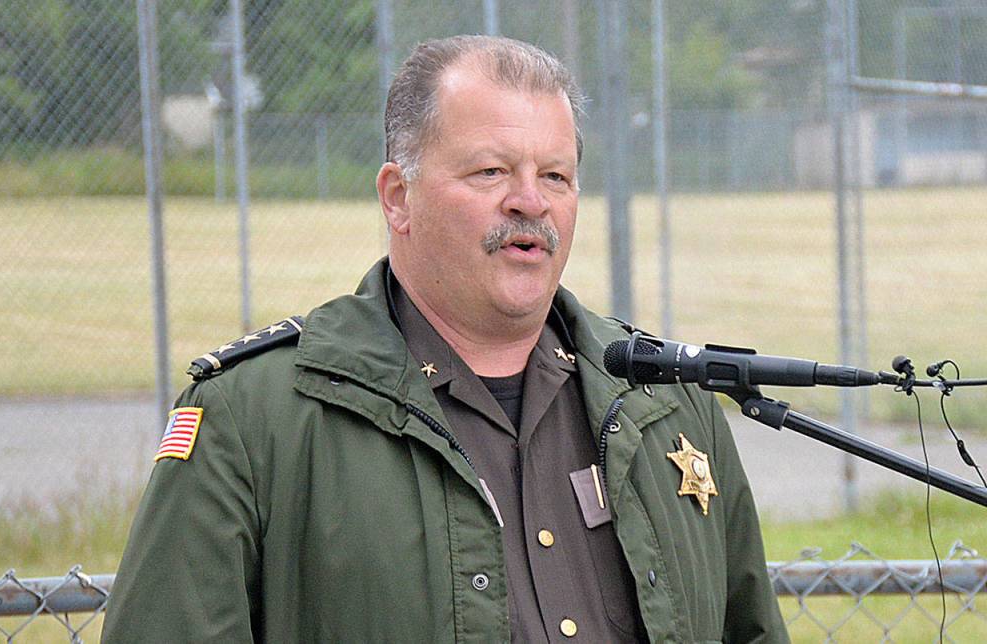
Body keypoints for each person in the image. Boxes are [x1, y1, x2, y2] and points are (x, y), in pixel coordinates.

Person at [103, 35, 788, 643]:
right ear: (399, 197)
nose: (530, 201)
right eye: (490, 172)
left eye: (555, 175)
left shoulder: (667, 406)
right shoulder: (254, 420)